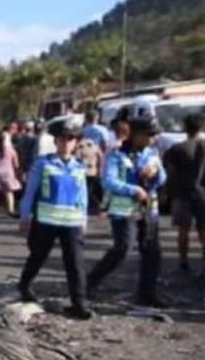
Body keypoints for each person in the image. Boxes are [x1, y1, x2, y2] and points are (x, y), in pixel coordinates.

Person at [86, 116, 167, 307]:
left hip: (148, 209)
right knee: (123, 248)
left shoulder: (152, 153)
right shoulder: (116, 154)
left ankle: (147, 294)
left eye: (154, 135)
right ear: (136, 134)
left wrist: (156, 174)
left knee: (152, 252)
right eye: (148, 135)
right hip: (124, 211)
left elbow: (163, 177)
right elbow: (108, 181)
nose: (152, 139)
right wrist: (133, 190)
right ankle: (90, 282)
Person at [17, 117, 91, 319]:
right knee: (38, 256)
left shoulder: (79, 166)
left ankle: (79, 304)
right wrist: (25, 217)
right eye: (62, 139)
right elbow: (30, 192)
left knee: (75, 263)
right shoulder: (44, 163)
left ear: (75, 142)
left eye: (70, 139)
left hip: (72, 222)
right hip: (46, 221)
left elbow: (82, 196)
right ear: (56, 141)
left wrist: (84, 219)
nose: (66, 143)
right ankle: (24, 285)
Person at [162, 112, 205, 273]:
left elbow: (170, 173)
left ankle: (183, 262)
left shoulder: (177, 149)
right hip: (203, 195)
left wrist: (166, 193)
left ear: (185, 128)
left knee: (183, 230)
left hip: (182, 195)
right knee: (203, 231)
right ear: (201, 127)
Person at [0, 130, 21, 216]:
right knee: (9, 191)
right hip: (8, 172)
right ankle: (10, 209)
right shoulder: (11, 150)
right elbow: (16, 164)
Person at [76, 132, 103, 215]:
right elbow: (101, 156)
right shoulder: (94, 144)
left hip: (84, 172)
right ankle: (96, 208)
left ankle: (95, 207)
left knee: (87, 192)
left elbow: (77, 158)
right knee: (93, 190)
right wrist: (100, 169)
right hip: (94, 171)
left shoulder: (79, 145)